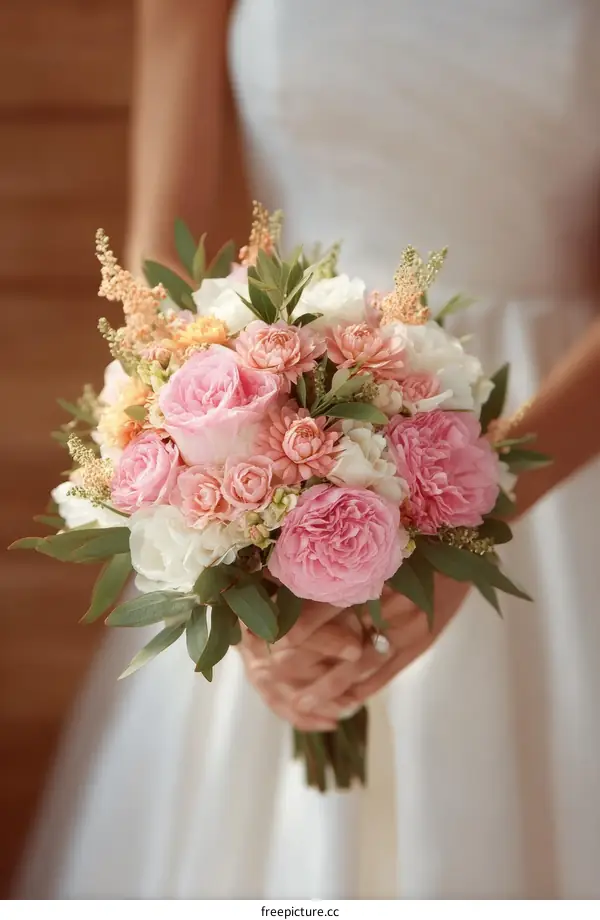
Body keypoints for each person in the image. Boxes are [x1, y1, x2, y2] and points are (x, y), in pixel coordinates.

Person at [17, 0, 600, 899]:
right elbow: (159, 270)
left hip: (554, 448)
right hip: (285, 393)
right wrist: (227, 531)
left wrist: (477, 519)